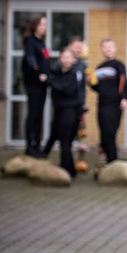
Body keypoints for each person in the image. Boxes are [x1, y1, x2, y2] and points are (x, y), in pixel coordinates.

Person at [43, 36, 87, 157]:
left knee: (66, 138)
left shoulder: (82, 65)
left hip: (74, 106)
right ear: (69, 46)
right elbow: (57, 83)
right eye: (77, 47)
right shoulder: (59, 66)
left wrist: (83, 103)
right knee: (57, 134)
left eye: (81, 47)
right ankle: (44, 155)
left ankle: (66, 165)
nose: (79, 49)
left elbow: (80, 88)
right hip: (61, 106)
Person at [90, 39, 127, 163]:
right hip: (102, 104)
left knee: (110, 134)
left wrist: (124, 98)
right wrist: (90, 83)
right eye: (105, 47)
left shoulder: (118, 65)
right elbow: (96, 87)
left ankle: (113, 162)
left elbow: (124, 83)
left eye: (110, 47)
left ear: (115, 49)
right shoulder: (99, 68)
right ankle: (105, 161)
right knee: (103, 134)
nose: (108, 49)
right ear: (101, 49)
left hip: (114, 105)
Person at [47, 48, 82, 177]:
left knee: (65, 140)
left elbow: (65, 89)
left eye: (69, 57)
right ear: (60, 59)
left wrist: (49, 81)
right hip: (59, 110)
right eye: (64, 57)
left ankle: (68, 170)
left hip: (70, 111)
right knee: (58, 137)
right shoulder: (57, 73)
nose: (67, 60)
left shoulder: (73, 74)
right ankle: (65, 166)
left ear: (73, 60)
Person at [21, 16, 50, 158]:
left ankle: (37, 146)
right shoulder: (30, 41)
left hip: (43, 85)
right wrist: (38, 72)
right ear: (35, 26)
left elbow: (45, 61)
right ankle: (29, 146)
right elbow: (30, 58)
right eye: (41, 24)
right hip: (34, 84)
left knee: (39, 115)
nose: (44, 27)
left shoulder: (41, 43)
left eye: (45, 24)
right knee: (33, 114)